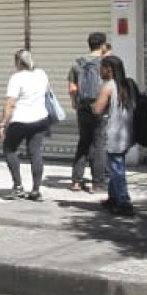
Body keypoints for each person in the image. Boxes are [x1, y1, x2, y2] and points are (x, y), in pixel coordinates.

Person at [0, 49, 53, 201]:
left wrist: (2, 123)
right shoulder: (41, 74)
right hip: (40, 119)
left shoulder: (16, 78)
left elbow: (10, 103)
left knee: (9, 149)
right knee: (35, 152)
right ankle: (35, 190)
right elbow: (47, 93)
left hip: (21, 120)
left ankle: (18, 186)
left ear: (18, 62)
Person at [90, 53, 137, 217]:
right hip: (126, 132)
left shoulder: (108, 86)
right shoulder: (128, 84)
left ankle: (124, 202)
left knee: (116, 169)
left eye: (102, 68)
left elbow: (97, 109)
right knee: (116, 165)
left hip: (113, 133)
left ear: (108, 70)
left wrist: (91, 105)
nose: (100, 71)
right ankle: (113, 198)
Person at [66, 31, 111, 194]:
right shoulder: (106, 64)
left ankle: (76, 182)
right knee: (98, 144)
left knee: (83, 142)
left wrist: (74, 104)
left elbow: (72, 88)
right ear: (103, 45)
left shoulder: (77, 64)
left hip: (83, 108)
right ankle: (97, 184)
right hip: (100, 107)